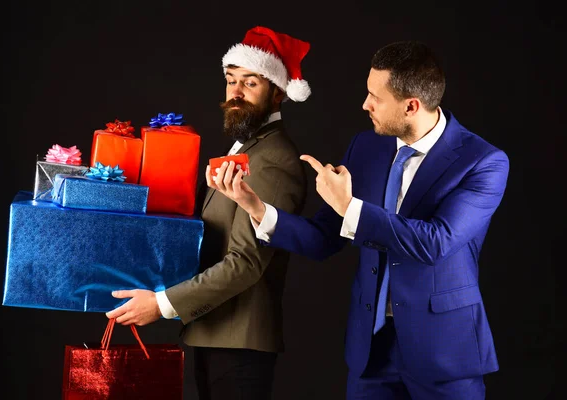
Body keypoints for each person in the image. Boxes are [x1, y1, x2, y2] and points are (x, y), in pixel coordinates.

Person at [209, 40, 509, 400]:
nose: (365, 104)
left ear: (411, 106)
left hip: (444, 352)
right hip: (371, 350)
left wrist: (351, 207)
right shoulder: (365, 147)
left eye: (375, 97)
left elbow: (435, 242)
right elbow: (323, 239)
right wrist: (254, 206)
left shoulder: (483, 162)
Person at [105, 26, 311, 400]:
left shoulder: (274, 160)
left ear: (278, 93)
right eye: (231, 81)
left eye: (250, 83)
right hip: (214, 334)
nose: (236, 92)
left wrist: (163, 304)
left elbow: (246, 262)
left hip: (240, 345)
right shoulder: (248, 147)